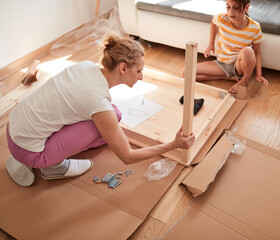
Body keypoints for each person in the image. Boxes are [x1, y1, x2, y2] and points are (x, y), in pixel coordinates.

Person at [6, 34, 195, 187]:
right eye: (139, 71)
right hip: (29, 152)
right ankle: (53, 167)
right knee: (106, 121)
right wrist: (173, 144)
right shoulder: (98, 102)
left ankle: (37, 153)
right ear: (123, 68)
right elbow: (127, 157)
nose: (141, 76)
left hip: (12, 128)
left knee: (115, 115)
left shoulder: (87, 67)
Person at [195, 0, 268, 94]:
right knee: (186, 73)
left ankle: (245, 80)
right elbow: (213, 21)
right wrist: (211, 44)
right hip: (222, 64)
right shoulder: (222, 18)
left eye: (236, 7)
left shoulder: (255, 27)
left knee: (248, 51)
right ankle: (229, 77)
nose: (230, 12)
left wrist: (259, 75)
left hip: (239, 66)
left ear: (246, 8)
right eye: (228, 7)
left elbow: (257, 52)